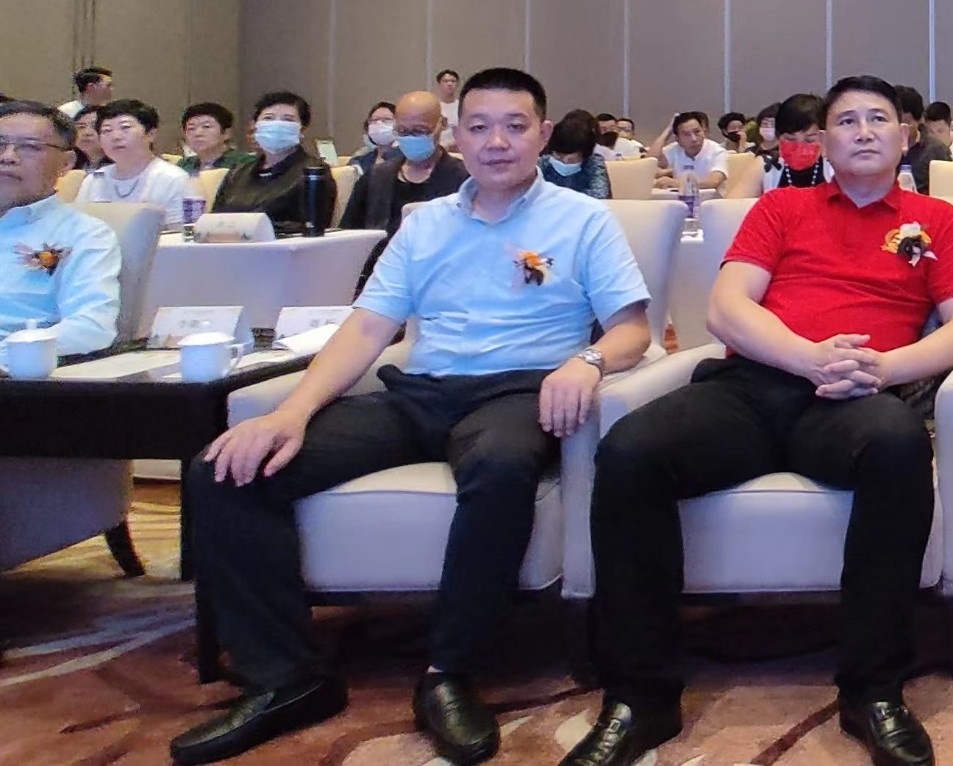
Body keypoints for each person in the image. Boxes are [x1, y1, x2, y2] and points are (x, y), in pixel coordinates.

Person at [170, 69, 653, 766]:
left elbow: (632, 329)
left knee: (500, 468)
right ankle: (286, 678)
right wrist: (291, 413)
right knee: (226, 470)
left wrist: (588, 362)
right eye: (479, 127)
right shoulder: (424, 223)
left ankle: (450, 671)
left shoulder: (583, 220)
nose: (496, 142)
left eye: (515, 126)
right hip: (419, 391)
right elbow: (368, 328)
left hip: (521, 392)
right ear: (458, 136)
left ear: (543, 134)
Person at [567, 76, 953, 766]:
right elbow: (727, 308)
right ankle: (641, 696)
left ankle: (873, 689)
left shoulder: (936, 220)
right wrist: (808, 358)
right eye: (846, 121)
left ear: (905, 135)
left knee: (899, 447)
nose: (863, 131)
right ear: (821, 141)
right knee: (631, 450)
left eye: (878, 118)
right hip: (755, 386)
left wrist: (883, 369)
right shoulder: (781, 207)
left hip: (856, 397)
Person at [0, 100, 124, 354]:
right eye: (0, 144)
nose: (7, 157)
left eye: (29, 147)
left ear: (66, 162)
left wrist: (13, 353)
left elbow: (91, 327)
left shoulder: (84, 234)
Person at [340, 89, 469, 250]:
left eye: (420, 131)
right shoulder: (375, 177)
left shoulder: (464, 179)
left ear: (441, 124)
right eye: (403, 131)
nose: (410, 138)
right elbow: (346, 236)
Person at [211, 92, 334, 234]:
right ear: (255, 125)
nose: (277, 125)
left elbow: (313, 225)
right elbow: (214, 219)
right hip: (228, 243)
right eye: (268, 118)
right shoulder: (238, 172)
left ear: (302, 130)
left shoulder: (314, 173)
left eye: (288, 119)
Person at [77, 99, 193, 214]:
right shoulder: (94, 180)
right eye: (107, 130)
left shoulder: (173, 179)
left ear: (151, 134)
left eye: (125, 128)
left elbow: (178, 226)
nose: (115, 136)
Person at [763, 93, 829, 191]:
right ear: (778, 136)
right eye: (790, 139)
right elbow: (740, 199)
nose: (800, 147)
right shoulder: (766, 167)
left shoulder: (836, 168)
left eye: (810, 140)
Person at [541, 110, 614, 199]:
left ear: (584, 156)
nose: (564, 162)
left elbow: (601, 195)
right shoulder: (542, 163)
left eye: (572, 160)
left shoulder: (594, 163)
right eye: (559, 157)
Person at [655, 111, 729, 191]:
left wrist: (676, 183)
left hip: (710, 198)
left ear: (704, 132)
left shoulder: (718, 152)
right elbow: (650, 161)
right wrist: (668, 130)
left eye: (697, 132)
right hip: (679, 197)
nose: (694, 139)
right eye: (686, 134)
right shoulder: (675, 149)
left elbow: (713, 182)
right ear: (677, 139)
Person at [178, 102, 257, 175]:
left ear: (226, 133)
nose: (198, 133)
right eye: (191, 128)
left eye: (206, 127)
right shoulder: (183, 165)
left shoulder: (246, 163)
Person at [893, 85, 950, 186]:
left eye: (906, 123)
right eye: (895, 123)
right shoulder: (881, 149)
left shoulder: (936, 150)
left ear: (920, 120)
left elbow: (947, 186)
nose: (901, 128)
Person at [350, 102, 401, 173]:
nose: (379, 124)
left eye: (387, 119)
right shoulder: (360, 161)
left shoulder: (406, 159)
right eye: (374, 120)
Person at [433, 68, 462, 148]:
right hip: (437, 149)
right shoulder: (433, 106)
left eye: (453, 81)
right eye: (445, 81)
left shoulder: (462, 106)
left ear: (457, 84)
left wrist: (450, 145)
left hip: (457, 149)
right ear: (439, 84)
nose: (449, 84)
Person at [70, 105, 104, 171]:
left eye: (95, 126)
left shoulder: (120, 165)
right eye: (81, 127)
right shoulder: (69, 167)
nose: (87, 133)